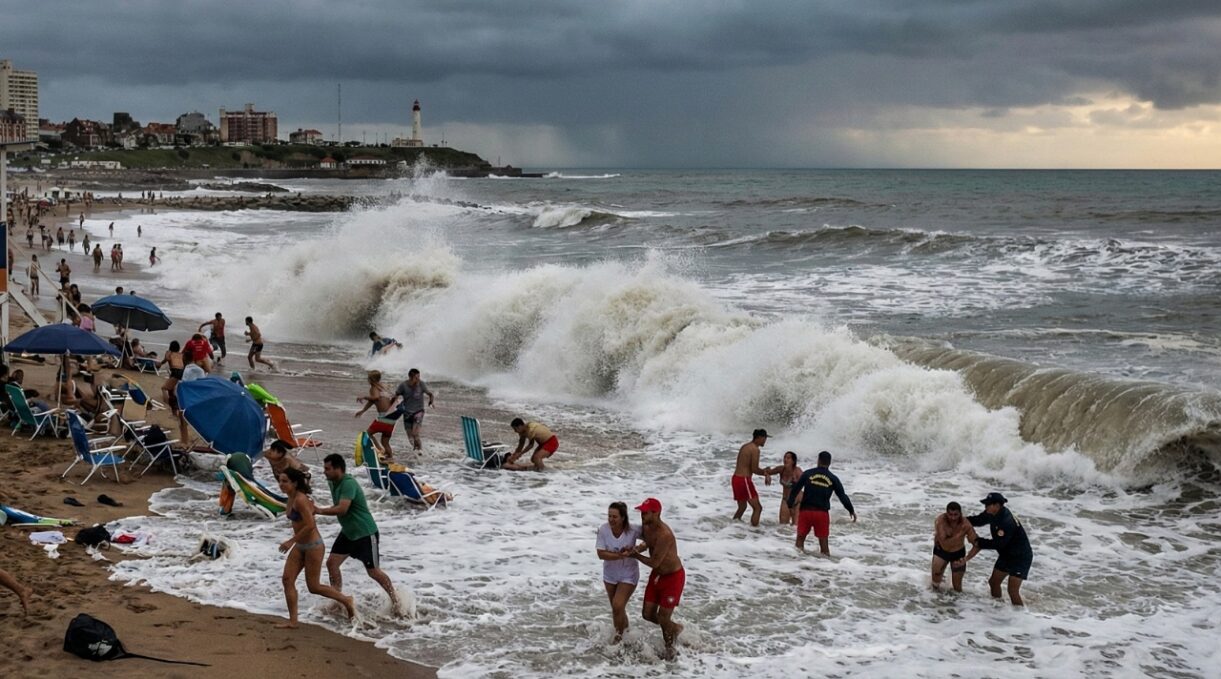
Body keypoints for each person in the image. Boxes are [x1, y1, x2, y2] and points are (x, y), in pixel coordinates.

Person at [315, 454, 402, 615]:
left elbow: (342, 509)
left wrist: (318, 510)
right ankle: (338, 599)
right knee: (332, 564)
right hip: (348, 532)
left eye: (327, 469)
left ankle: (396, 600)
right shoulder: (332, 481)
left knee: (373, 571)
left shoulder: (348, 484)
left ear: (338, 469)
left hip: (365, 532)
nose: (324, 472)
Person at [274, 468, 355, 628]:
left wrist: (291, 541)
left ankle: (346, 600)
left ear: (294, 483)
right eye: (280, 481)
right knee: (287, 580)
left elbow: (310, 525)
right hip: (300, 546)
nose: (280, 484)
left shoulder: (300, 500)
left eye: (284, 481)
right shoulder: (291, 497)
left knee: (314, 587)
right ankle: (293, 621)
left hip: (313, 546)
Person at [629, 498, 684, 660]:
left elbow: (654, 562)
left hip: (673, 577)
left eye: (646, 513)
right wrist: (640, 547)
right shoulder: (647, 527)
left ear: (656, 513)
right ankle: (675, 628)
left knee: (663, 617)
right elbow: (648, 542)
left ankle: (670, 649)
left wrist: (635, 555)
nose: (642, 515)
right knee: (647, 614)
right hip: (658, 576)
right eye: (642, 512)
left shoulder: (665, 534)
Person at [965, 492, 1033, 606]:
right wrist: (958, 520)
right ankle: (998, 608)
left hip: (1020, 557)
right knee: (994, 582)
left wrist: (978, 541)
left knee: (1012, 591)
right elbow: (978, 520)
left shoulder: (1006, 521)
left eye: (988, 504)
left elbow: (999, 544)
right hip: (1006, 555)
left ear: (997, 505)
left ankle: (1020, 618)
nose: (985, 507)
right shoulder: (992, 513)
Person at [789, 450, 856, 556]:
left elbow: (795, 490)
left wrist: (790, 504)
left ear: (818, 460)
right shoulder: (833, 478)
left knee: (800, 541)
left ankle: (797, 565)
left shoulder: (808, 473)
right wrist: (851, 509)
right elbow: (842, 496)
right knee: (824, 546)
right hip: (822, 514)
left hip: (806, 511)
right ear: (829, 463)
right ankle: (825, 568)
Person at [596, 502, 641, 643]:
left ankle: (618, 637)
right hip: (610, 575)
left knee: (618, 605)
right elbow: (600, 553)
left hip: (629, 573)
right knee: (617, 609)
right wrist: (620, 556)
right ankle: (626, 633)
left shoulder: (634, 530)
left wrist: (637, 549)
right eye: (609, 516)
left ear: (623, 517)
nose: (611, 519)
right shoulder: (603, 530)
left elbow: (650, 541)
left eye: (614, 516)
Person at [932, 502, 977, 593]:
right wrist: (960, 534)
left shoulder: (966, 524)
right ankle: (934, 603)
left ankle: (956, 605)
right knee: (935, 584)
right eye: (950, 514)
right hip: (941, 551)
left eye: (956, 515)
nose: (953, 518)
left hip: (958, 553)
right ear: (946, 513)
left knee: (957, 588)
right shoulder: (940, 521)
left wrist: (966, 559)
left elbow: (977, 544)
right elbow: (943, 541)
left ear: (960, 514)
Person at [356, 370, 399, 460]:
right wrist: (363, 410)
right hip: (392, 418)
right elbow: (373, 400)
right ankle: (390, 458)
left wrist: (363, 397)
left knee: (367, 435)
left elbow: (375, 397)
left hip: (383, 418)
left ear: (371, 379)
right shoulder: (383, 386)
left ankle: (379, 450)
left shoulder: (373, 388)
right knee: (385, 441)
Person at [732, 429, 770, 526]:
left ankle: (733, 527)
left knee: (742, 507)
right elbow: (754, 469)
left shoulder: (745, 446)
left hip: (736, 478)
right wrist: (766, 473)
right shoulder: (755, 449)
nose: (765, 441)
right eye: (765, 438)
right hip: (743, 480)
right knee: (758, 508)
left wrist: (764, 471)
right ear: (760, 438)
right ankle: (754, 531)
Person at [390, 369, 433, 453]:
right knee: (410, 438)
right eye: (416, 377)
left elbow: (430, 394)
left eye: (419, 377)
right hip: (407, 413)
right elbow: (396, 395)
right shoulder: (403, 385)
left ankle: (420, 451)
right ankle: (416, 452)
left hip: (419, 412)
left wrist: (431, 402)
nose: (418, 379)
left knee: (415, 434)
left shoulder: (421, 384)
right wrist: (391, 406)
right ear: (410, 377)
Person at [763, 451, 803, 526]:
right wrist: (767, 475)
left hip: (797, 502)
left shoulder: (797, 471)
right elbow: (767, 470)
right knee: (783, 526)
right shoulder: (781, 469)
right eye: (784, 457)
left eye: (788, 458)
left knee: (795, 527)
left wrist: (796, 483)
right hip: (785, 500)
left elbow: (806, 482)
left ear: (793, 461)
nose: (785, 459)